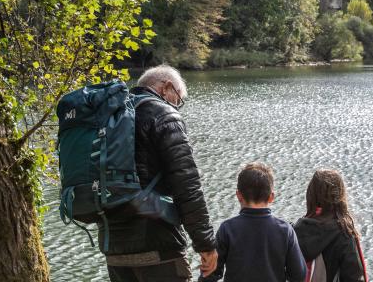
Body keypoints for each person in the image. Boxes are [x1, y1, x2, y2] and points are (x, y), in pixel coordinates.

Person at [102, 65, 218, 282]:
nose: (176, 106)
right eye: (178, 100)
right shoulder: (164, 115)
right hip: (157, 247)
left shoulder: (112, 116)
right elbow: (187, 186)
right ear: (166, 88)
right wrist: (205, 244)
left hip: (114, 249)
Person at [200, 162, 306, 282]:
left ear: (238, 196)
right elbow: (299, 274)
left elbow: (210, 273)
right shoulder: (285, 230)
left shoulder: (227, 229)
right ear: (271, 197)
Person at [293, 169, 368, 282]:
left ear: (310, 195)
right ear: (340, 197)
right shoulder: (345, 233)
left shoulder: (294, 231)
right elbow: (354, 277)